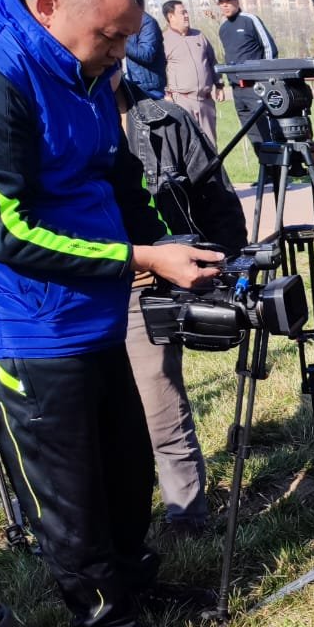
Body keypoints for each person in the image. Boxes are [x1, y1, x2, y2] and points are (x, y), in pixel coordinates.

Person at [0, 0, 225, 627]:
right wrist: (140, 260)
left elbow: (117, 174)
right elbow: (4, 231)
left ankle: (134, 581)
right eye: (110, 36)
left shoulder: (89, 68)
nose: (120, 54)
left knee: (125, 467)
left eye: (128, 37)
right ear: (48, 7)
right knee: (69, 499)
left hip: (91, 307)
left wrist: (168, 245)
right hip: (19, 325)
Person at [114, 71, 248, 535]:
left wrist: (227, 271)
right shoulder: (55, 113)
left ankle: (187, 516)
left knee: (162, 409)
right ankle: (116, 523)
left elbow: (216, 199)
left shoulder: (166, 120)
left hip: (144, 289)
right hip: (79, 289)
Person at [215, 0, 279, 145]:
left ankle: (280, 160)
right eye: (221, 2)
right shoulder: (223, 28)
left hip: (256, 86)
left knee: (268, 132)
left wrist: (266, 78)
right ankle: (264, 160)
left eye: (228, 1)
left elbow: (269, 48)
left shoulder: (250, 20)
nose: (224, 5)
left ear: (236, 1)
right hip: (237, 90)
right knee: (253, 136)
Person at [161, 0, 223, 143]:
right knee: (189, 144)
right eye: (182, 13)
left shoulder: (199, 36)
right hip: (181, 100)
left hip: (205, 100)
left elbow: (212, 61)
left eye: (186, 12)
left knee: (210, 145)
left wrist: (219, 85)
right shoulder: (163, 40)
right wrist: (166, 93)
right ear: (171, 16)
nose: (186, 16)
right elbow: (160, 71)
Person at [124, 9, 165, 99]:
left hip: (149, 90)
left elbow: (147, 54)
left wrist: (122, 42)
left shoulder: (146, 22)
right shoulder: (124, 22)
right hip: (131, 86)